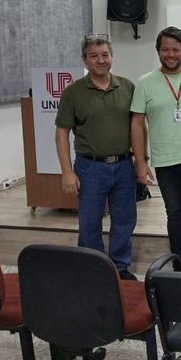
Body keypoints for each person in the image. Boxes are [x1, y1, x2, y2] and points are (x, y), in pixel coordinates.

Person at [55, 33, 138, 280]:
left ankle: (120, 268)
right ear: (84, 59)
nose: (100, 60)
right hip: (90, 168)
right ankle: (94, 269)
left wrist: (142, 160)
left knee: (125, 220)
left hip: (124, 165)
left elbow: (138, 126)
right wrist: (66, 172)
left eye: (105, 55)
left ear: (111, 56)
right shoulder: (73, 92)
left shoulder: (127, 87)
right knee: (90, 222)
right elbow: (62, 133)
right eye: (94, 56)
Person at [130, 26, 181, 273]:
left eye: (176, 49)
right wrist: (141, 162)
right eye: (165, 49)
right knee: (174, 215)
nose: (170, 54)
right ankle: (180, 268)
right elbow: (136, 123)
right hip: (166, 162)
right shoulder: (145, 83)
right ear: (158, 51)